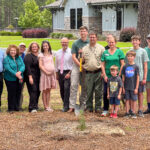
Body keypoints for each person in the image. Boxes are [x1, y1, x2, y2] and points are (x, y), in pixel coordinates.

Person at [101, 36, 125, 116]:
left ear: (115, 42)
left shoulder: (119, 52)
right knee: (106, 92)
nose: (111, 44)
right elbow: (102, 65)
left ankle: (115, 110)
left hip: (117, 77)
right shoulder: (105, 52)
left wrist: (119, 75)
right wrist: (104, 75)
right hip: (108, 76)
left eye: (112, 42)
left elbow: (122, 64)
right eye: (109, 42)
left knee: (116, 93)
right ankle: (105, 109)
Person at [82, 31, 105, 112]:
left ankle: (98, 107)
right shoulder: (84, 49)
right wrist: (80, 57)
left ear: (96, 38)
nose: (92, 39)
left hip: (98, 72)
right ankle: (89, 107)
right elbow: (82, 61)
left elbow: (104, 61)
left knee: (98, 91)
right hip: (88, 73)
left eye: (93, 37)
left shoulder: (101, 48)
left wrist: (103, 72)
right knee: (89, 91)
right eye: (90, 37)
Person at [68, 26, 89, 112]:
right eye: (81, 31)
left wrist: (84, 66)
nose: (82, 33)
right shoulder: (75, 43)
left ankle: (83, 104)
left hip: (86, 66)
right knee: (73, 85)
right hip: (77, 66)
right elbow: (73, 56)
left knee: (84, 86)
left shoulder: (89, 43)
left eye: (84, 31)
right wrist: (80, 64)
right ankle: (72, 106)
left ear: (87, 32)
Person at [130, 35, 149, 117]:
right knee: (132, 93)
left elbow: (145, 65)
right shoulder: (129, 51)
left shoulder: (143, 51)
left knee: (140, 93)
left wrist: (144, 77)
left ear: (139, 42)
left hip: (140, 76)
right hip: (131, 76)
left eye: (136, 40)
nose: (135, 42)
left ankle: (140, 109)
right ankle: (132, 110)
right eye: (133, 40)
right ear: (132, 42)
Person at [3, 45, 25, 112]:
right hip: (10, 79)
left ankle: (17, 107)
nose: (13, 52)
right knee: (11, 93)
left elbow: (23, 65)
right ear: (9, 51)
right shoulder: (6, 59)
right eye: (11, 50)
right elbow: (8, 68)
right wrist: (16, 74)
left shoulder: (19, 58)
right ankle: (11, 108)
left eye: (14, 50)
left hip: (19, 78)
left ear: (16, 51)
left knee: (18, 92)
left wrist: (20, 72)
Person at [55, 38, 73, 112]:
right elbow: (56, 64)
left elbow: (74, 64)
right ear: (61, 43)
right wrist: (56, 74)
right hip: (60, 72)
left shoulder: (71, 52)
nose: (64, 44)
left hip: (68, 72)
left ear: (68, 43)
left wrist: (69, 73)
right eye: (62, 42)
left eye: (65, 42)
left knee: (66, 89)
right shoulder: (58, 52)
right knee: (62, 89)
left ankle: (66, 106)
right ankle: (65, 104)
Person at [39, 41, 56, 112]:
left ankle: (48, 105)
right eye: (44, 46)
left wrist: (53, 71)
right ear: (42, 47)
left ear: (49, 46)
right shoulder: (41, 55)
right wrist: (46, 72)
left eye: (46, 45)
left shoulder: (51, 54)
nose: (45, 47)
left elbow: (52, 63)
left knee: (49, 90)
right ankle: (45, 106)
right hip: (45, 74)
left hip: (51, 74)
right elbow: (40, 65)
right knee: (45, 90)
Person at [24, 42, 40, 113]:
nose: (34, 48)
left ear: (38, 48)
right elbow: (27, 67)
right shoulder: (28, 56)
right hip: (31, 75)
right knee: (33, 90)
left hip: (38, 76)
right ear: (30, 48)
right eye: (33, 47)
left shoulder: (39, 55)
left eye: (35, 47)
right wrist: (30, 77)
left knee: (38, 91)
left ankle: (35, 105)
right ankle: (31, 107)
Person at [122, 50, 139, 118]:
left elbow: (138, 77)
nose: (129, 58)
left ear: (134, 57)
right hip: (126, 86)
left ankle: (133, 112)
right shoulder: (125, 66)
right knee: (127, 99)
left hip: (133, 86)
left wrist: (136, 88)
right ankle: (127, 112)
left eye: (131, 56)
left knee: (134, 99)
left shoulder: (136, 66)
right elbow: (123, 78)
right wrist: (123, 87)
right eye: (128, 56)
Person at [18, 43, 26, 110]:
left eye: (23, 47)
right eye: (21, 47)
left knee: (20, 90)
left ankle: (19, 106)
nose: (22, 48)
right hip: (15, 75)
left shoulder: (25, 55)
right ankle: (13, 105)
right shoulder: (15, 54)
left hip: (22, 76)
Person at [144, 34, 150, 114]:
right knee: (148, 92)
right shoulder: (144, 50)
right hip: (147, 74)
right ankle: (149, 107)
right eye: (149, 38)